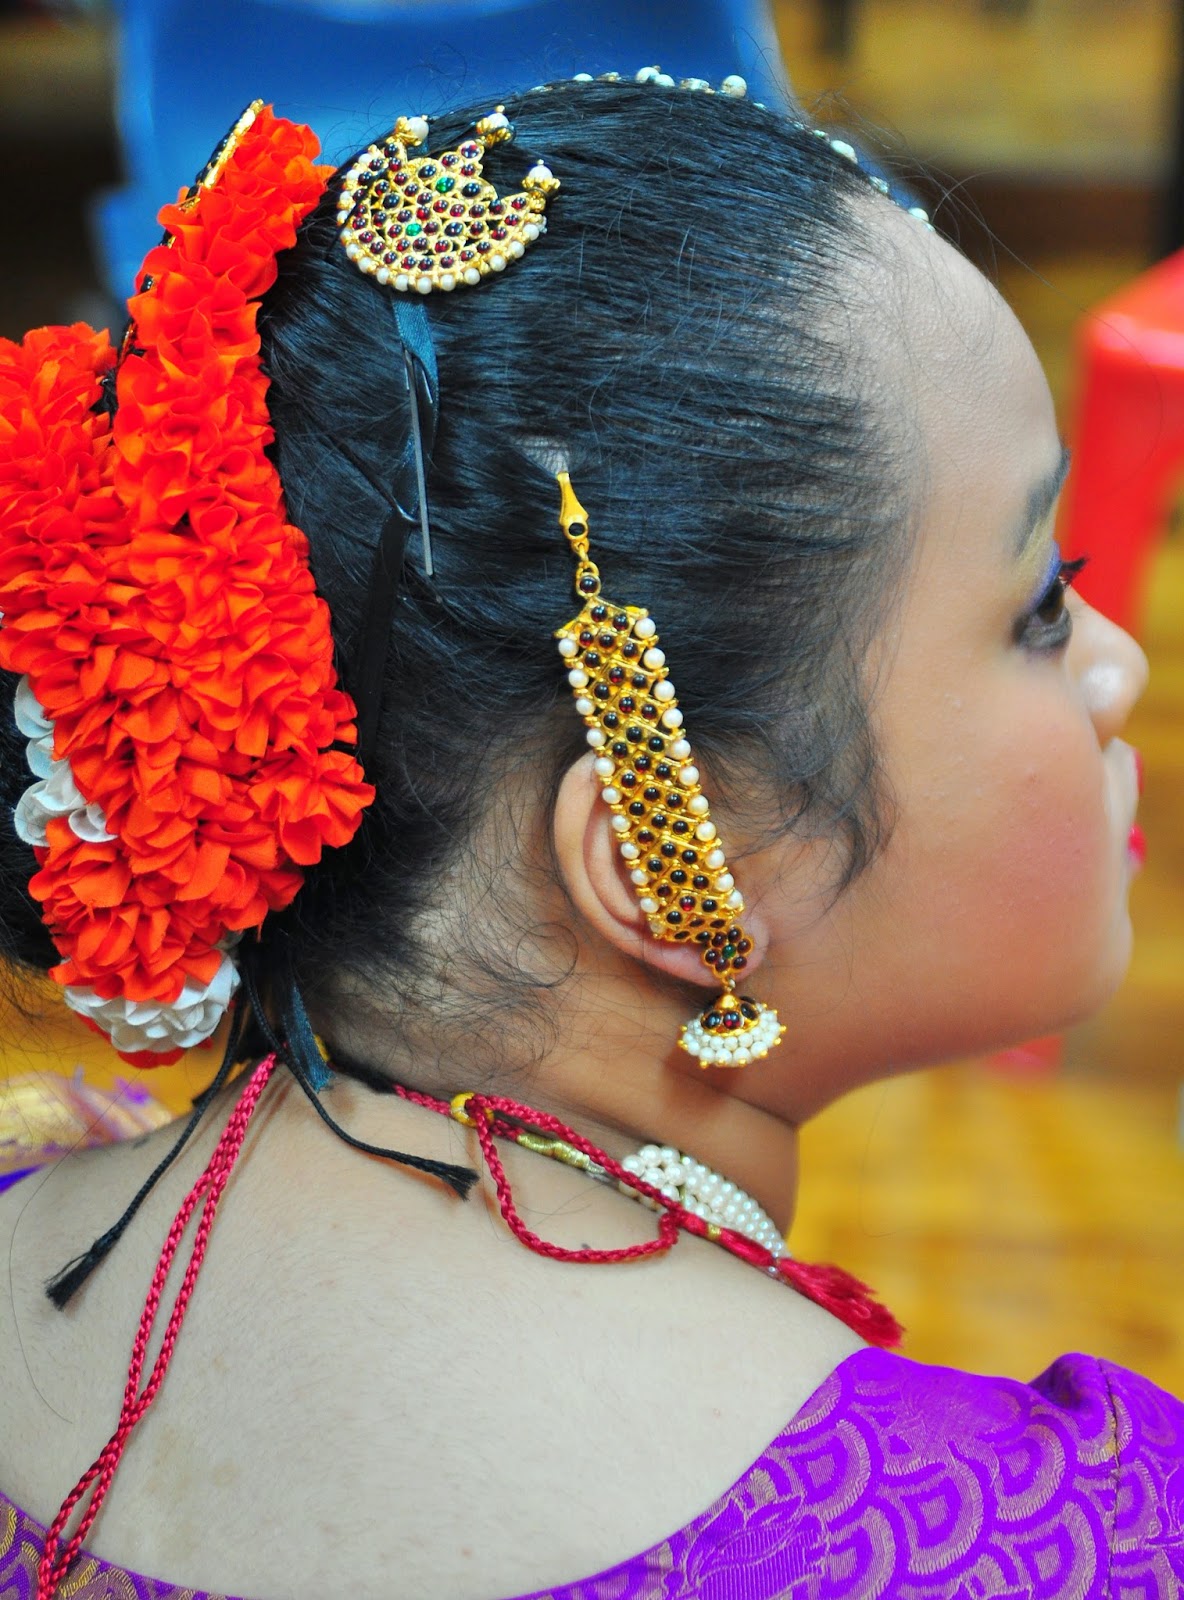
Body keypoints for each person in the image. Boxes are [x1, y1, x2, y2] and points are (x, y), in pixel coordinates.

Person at [0, 73, 1179, 1600]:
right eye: (1037, 604)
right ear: (669, 860)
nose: (1119, 666)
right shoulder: (1051, 1545)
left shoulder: (37, 1197)